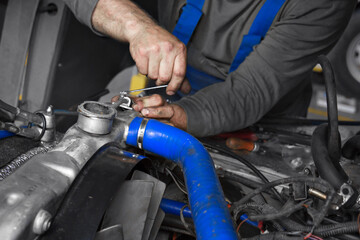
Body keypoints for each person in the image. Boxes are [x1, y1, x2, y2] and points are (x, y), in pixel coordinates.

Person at [63, 0, 357, 137]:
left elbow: (251, 91)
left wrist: (182, 115)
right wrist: (136, 26)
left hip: (267, 131)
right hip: (160, 100)